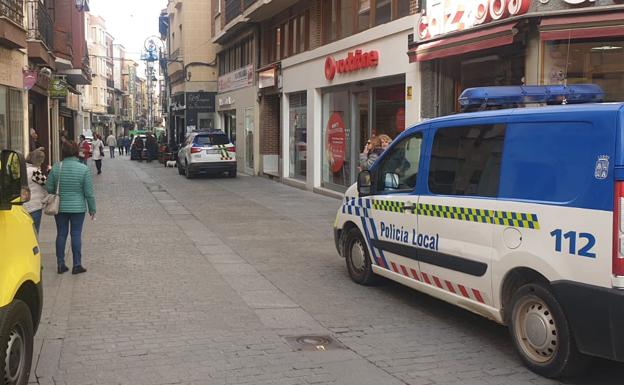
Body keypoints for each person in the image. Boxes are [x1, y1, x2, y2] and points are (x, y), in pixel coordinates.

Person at [46, 141, 96, 274]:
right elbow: (89, 193)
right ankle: (77, 265)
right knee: (76, 234)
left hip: (60, 207)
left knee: (61, 234)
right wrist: (92, 209)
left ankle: (60, 264)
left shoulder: (57, 167)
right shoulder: (83, 169)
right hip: (78, 208)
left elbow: (49, 188)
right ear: (76, 152)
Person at [24, 149, 48, 233]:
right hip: (34, 205)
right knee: (34, 231)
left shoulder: (23, 170)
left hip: (23, 205)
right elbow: (46, 184)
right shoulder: (35, 172)